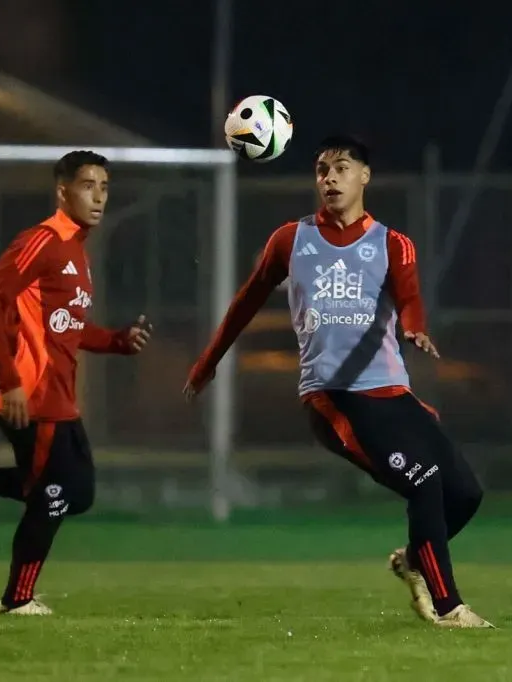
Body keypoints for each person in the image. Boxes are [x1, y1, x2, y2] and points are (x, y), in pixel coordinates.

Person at [184, 135, 492, 629]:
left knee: (467, 493)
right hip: (335, 398)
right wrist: (209, 359)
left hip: (393, 393)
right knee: (424, 483)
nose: (329, 178)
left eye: (342, 168)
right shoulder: (291, 239)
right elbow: (246, 300)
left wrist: (414, 327)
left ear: (364, 176)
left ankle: (414, 560)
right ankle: (448, 606)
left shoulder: (393, 243)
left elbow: (410, 299)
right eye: (322, 169)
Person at [0, 150, 153, 616]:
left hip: (60, 399)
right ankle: (17, 598)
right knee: (54, 493)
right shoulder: (42, 241)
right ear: (62, 191)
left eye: (105, 187)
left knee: (77, 492)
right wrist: (9, 383)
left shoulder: (78, 255)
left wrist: (117, 341)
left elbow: (66, 327)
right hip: (31, 396)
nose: (99, 196)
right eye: (88, 185)